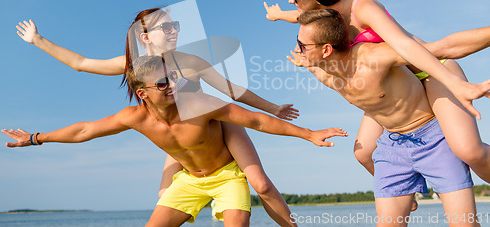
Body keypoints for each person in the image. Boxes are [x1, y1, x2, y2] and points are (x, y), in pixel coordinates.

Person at [16, 8, 298, 227]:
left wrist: (272, 108)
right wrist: (37, 40)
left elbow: (231, 91)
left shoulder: (190, 61)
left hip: (215, 124)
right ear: (146, 36)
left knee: (260, 184)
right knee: (164, 195)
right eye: (166, 26)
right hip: (179, 134)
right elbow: (81, 64)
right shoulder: (133, 66)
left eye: (175, 25)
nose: (173, 30)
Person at [2, 55, 347, 226]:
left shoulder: (201, 105)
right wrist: (35, 138)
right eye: (162, 84)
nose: (171, 86)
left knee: (257, 194)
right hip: (188, 182)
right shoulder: (135, 118)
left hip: (227, 177)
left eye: (172, 79)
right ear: (142, 93)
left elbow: (256, 120)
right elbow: (84, 130)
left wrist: (308, 134)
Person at [264, 0, 490, 191]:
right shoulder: (322, 17)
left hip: (431, 70)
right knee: (364, 153)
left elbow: (407, 45)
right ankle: (405, 194)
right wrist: (277, 15)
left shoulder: (362, 8)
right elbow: (296, 16)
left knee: (469, 150)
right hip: (394, 85)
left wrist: (454, 83)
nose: (290, 0)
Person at [289, 9, 490, 226]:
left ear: (326, 49)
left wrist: (459, 81)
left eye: (302, 45)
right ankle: (406, 193)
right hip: (392, 148)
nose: (297, 49)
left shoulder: (373, 57)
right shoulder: (320, 70)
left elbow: (445, 48)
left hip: (434, 140)